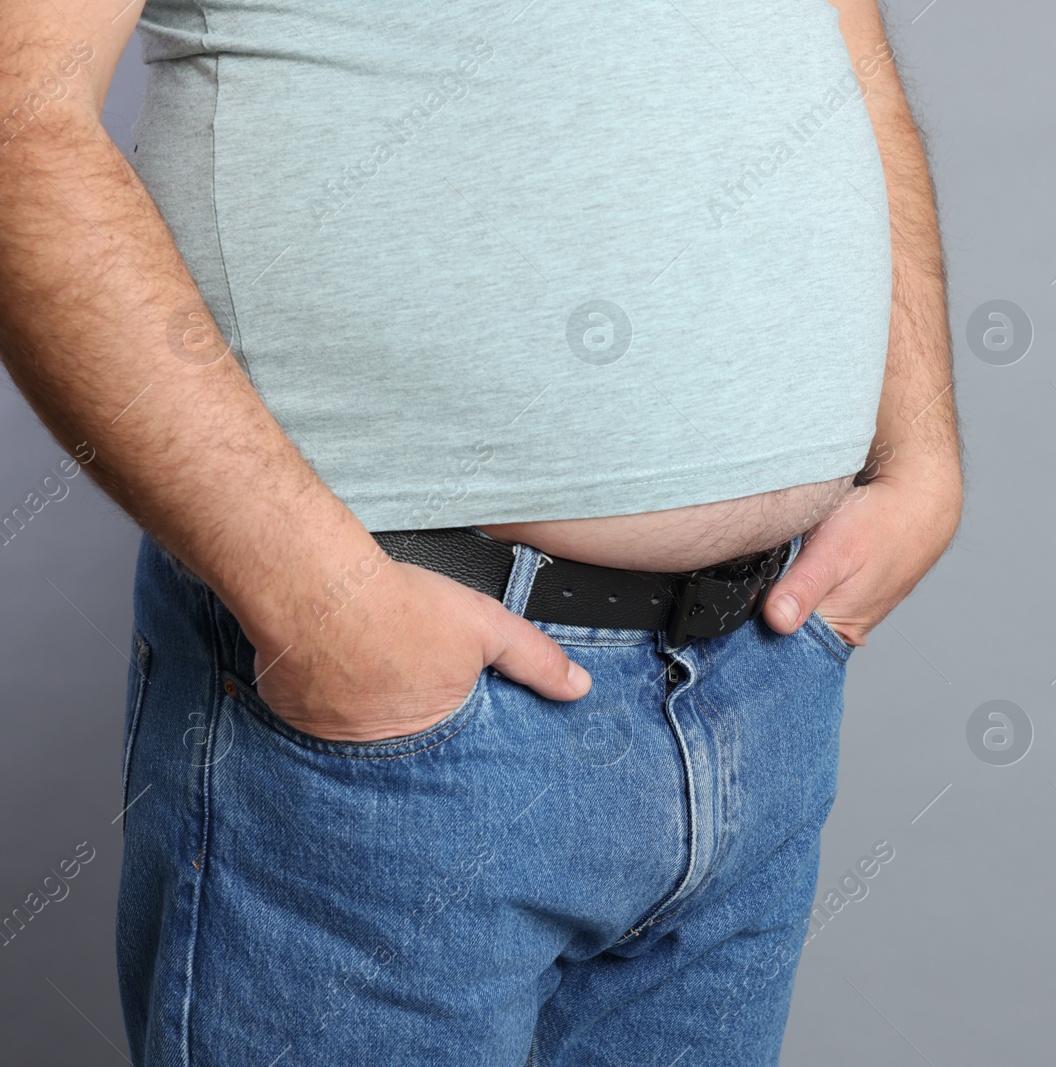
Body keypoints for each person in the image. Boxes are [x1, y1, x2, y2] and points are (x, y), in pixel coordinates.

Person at [0, 0, 961, 1061]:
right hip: (402, 721)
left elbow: (840, 28)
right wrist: (321, 606)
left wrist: (920, 448)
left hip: (760, 681)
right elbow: (17, 103)